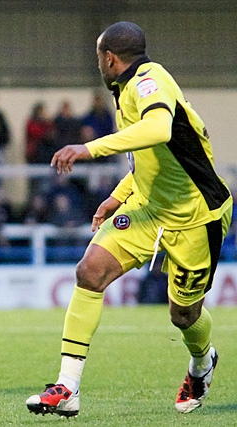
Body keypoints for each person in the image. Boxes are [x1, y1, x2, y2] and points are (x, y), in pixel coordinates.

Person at [26, 22, 233, 417]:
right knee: (89, 272)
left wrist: (87, 149)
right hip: (149, 208)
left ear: (109, 58)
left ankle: (202, 363)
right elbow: (151, 160)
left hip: (196, 215)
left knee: (183, 314)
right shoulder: (125, 90)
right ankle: (67, 387)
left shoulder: (150, 81)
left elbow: (158, 129)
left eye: (98, 59)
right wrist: (116, 197)